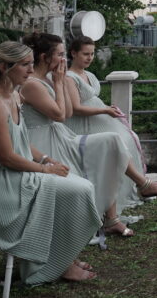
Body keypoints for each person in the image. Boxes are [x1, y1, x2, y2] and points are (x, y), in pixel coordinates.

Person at [0, 41, 101, 284]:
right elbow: (6, 157)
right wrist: (45, 170)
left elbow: (21, 143)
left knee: (79, 186)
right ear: (5, 67)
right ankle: (56, 264)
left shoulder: (13, 95)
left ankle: (61, 256)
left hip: (10, 171)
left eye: (31, 63)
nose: (31, 69)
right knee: (77, 190)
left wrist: (46, 159)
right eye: (25, 64)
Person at [19, 32, 134, 237]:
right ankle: (99, 221)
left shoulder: (47, 78)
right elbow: (61, 115)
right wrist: (60, 82)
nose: (64, 60)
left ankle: (112, 217)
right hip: (42, 141)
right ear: (45, 57)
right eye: (60, 55)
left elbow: (68, 112)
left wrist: (59, 82)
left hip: (59, 135)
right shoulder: (32, 84)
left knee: (112, 141)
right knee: (99, 152)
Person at [64, 36, 157, 212]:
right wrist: (104, 111)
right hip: (84, 123)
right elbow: (77, 108)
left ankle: (139, 185)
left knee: (129, 138)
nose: (89, 58)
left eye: (92, 54)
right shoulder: (69, 77)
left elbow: (91, 100)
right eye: (85, 54)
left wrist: (107, 108)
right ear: (73, 53)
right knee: (119, 144)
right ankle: (142, 185)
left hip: (98, 117)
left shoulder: (88, 74)